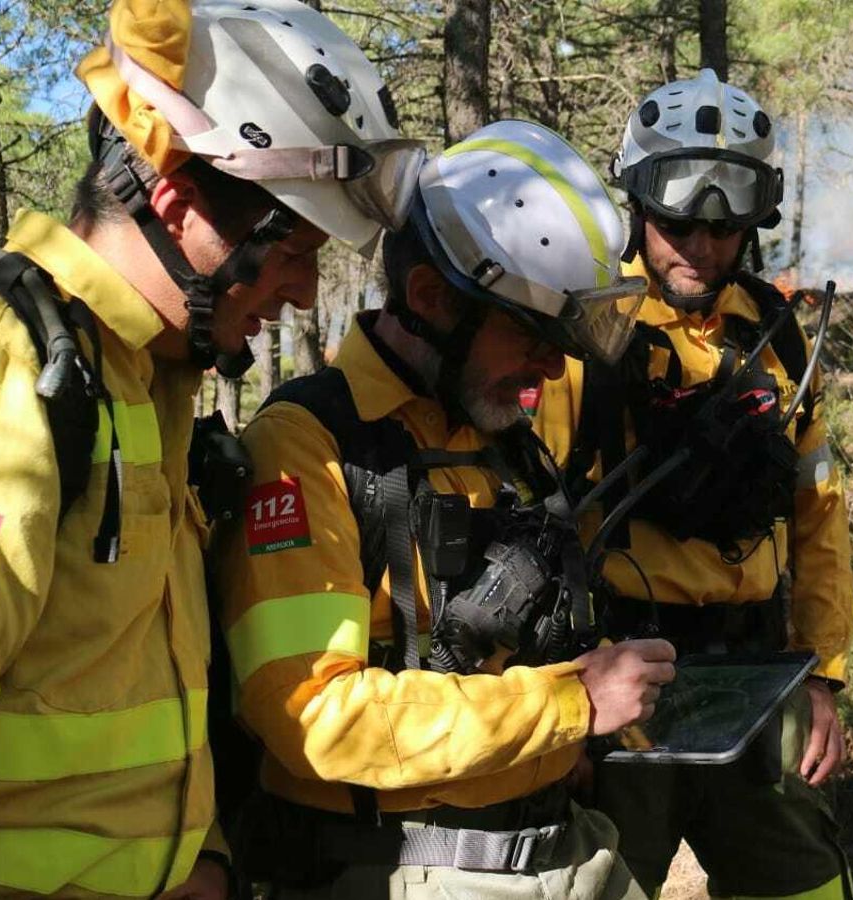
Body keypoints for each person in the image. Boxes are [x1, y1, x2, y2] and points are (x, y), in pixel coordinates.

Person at [0, 1, 422, 896]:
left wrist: (199, 857)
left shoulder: (143, 382)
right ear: (180, 203)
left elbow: (117, 696)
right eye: (293, 250)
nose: (303, 293)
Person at [212, 119, 673, 900]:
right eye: (531, 332)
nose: (551, 365)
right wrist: (569, 704)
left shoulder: (502, 438)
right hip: (407, 868)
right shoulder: (307, 446)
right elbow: (312, 714)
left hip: (567, 846)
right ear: (429, 297)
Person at [532, 69, 853, 900]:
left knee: (805, 887)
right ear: (637, 203)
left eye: (724, 222)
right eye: (675, 216)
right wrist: (558, 717)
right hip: (623, 686)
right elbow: (532, 527)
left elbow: (819, 520)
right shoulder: (588, 338)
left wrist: (822, 677)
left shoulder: (778, 338)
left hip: (761, 674)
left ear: (755, 217)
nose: (698, 242)